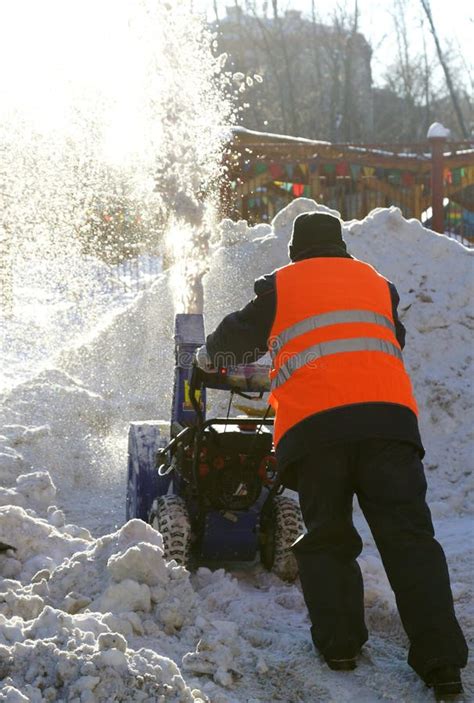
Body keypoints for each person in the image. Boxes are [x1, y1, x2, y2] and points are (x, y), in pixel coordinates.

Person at [195, 211, 468, 697]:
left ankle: (340, 647)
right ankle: (443, 664)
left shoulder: (281, 286)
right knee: (411, 541)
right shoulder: (378, 285)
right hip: (389, 425)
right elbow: (389, 342)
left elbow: (229, 344)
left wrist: (203, 359)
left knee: (328, 537)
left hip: (317, 430)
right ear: (341, 246)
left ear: (295, 252)